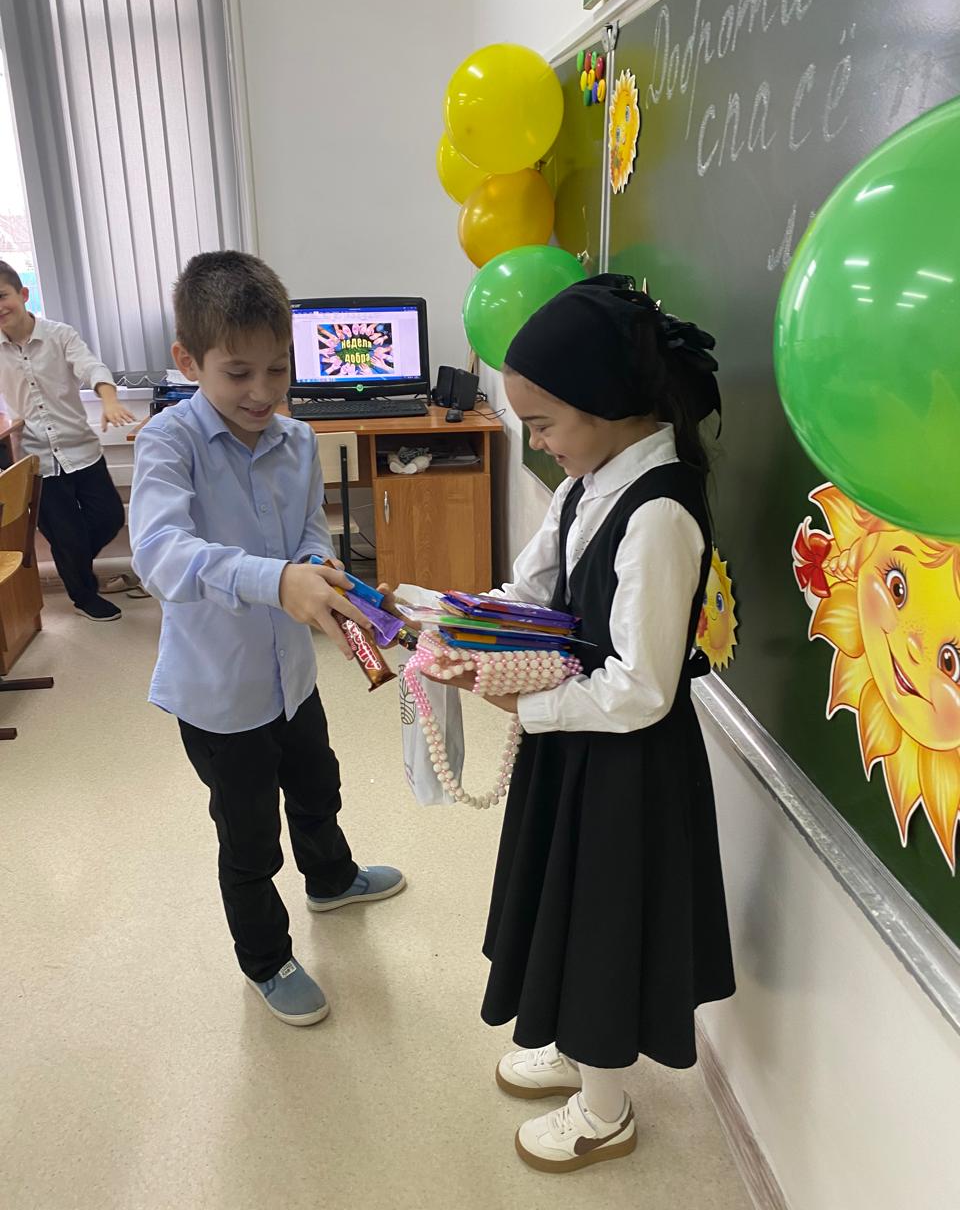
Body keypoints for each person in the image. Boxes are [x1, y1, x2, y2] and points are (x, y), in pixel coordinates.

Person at [431, 275, 735, 1173]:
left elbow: (642, 689)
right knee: (565, 905)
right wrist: (452, 625)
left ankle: (605, 1111)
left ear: (604, 404)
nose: (536, 442)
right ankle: (570, 1050)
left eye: (544, 424)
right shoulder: (587, 483)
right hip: (577, 745)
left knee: (604, 924)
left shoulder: (660, 511)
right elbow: (532, 590)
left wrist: (523, 702)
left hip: (629, 764)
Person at [129, 250, 404, 1026]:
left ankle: (332, 879)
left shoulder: (297, 440)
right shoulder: (168, 443)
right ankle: (265, 959)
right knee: (249, 841)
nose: (262, 391)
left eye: (278, 370)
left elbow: (310, 530)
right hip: (219, 696)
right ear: (189, 362)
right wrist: (275, 580)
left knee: (318, 788)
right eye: (238, 373)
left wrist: (317, 567)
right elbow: (159, 554)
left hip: (293, 678)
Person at [0, 260, 137, 620]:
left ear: (23, 294)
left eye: (2, 296)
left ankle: (74, 564)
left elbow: (91, 367)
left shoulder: (59, 335)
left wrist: (109, 400)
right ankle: (83, 597)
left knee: (109, 518)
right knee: (65, 535)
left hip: (82, 450)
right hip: (36, 462)